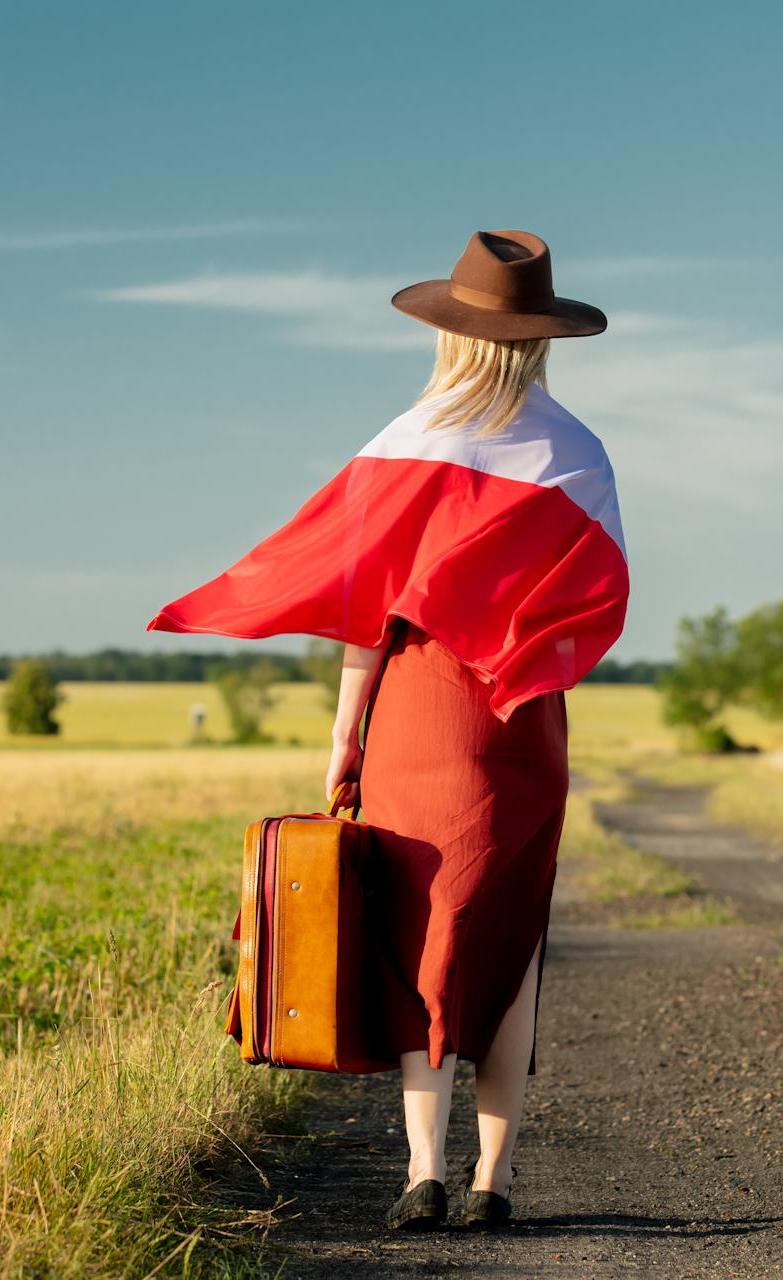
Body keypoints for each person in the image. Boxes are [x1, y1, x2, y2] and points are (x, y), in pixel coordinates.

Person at [148, 229, 628, 1231]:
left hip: (416, 705)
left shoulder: (409, 439)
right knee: (510, 944)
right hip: (521, 714)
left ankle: (422, 1169)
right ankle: (494, 1180)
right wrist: (520, 663)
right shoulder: (578, 453)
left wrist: (342, 734)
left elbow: (363, 611)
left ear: (453, 332)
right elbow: (593, 610)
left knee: (427, 932)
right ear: (542, 338)